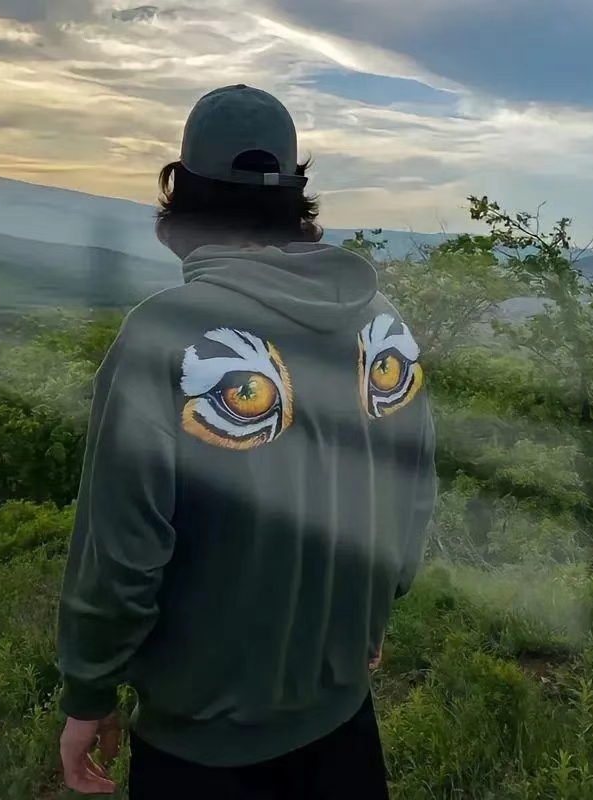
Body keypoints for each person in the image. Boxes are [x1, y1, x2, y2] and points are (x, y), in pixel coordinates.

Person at [56, 84, 436, 799]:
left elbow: (123, 549)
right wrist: (370, 612)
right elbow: (411, 494)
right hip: (343, 722)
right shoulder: (380, 326)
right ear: (296, 201)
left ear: (181, 201)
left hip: (201, 747)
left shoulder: (165, 334)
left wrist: (89, 689)